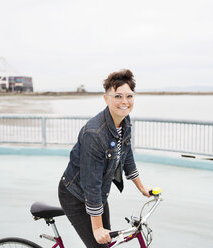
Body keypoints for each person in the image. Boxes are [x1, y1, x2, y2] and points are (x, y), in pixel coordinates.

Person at [58, 69, 150, 248]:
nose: (124, 102)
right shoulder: (94, 134)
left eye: (129, 96)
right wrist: (97, 228)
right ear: (106, 98)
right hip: (75, 194)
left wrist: (142, 187)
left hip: (97, 194)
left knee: (106, 244)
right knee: (99, 244)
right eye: (118, 96)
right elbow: (90, 183)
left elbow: (127, 155)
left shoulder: (124, 121)